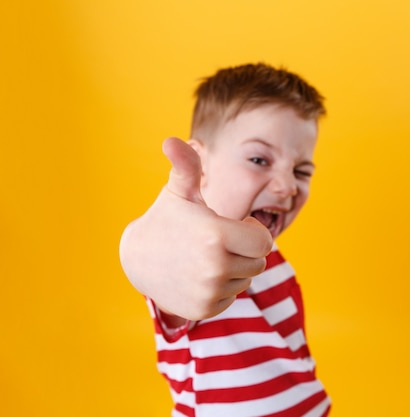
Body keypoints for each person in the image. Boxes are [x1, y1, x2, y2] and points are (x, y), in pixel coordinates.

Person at [119, 63, 330, 417]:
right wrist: (137, 251)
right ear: (200, 162)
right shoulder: (194, 256)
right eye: (259, 159)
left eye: (301, 171)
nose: (289, 186)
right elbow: (165, 268)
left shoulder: (270, 255)